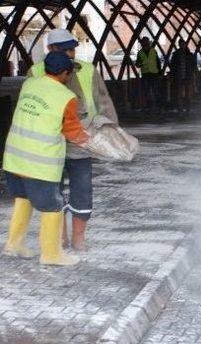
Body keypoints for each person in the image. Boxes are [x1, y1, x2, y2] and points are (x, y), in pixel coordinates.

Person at [29, 28, 119, 251]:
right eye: (65, 49)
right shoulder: (35, 72)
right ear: (50, 49)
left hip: (80, 142)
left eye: (72, 49)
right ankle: (60, 238)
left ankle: (79, 239)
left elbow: (104, 102)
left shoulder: (88, 70)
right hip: (50, 145)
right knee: (52, 193)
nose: (71, 54)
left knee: (82, 190)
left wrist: (110, 129)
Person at [2, 51, 89, 266]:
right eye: (69, 73)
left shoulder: (29, 85)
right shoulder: (66, 97)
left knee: (23, 200)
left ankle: (14, 244)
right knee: (53, 206)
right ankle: (51, 254)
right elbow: (72, 132)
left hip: (14, 159)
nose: (69, 77)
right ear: (63, 73)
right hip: (39, 163)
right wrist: (96, 141)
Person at [169, 39, 196, 115]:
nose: (182, 46)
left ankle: (186, 109)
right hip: (180, 77)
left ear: (185, 45)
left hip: (186, 76)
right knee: (180, 94)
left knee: (186, 94)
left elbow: (194, 66)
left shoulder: (188, 55)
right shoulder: (177, 54)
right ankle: (182, 109)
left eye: (183, 44)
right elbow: (172, 66)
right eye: (180, 44)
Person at [135, 36, 162, 113]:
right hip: (146, 74)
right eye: (144, 42)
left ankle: (155, 106)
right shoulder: (140, 53)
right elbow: (137, 64)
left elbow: (158, 62)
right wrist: (139, 64)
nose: (145, 43)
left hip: (153, 73)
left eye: (146, 42)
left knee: (154, 91)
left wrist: (159, 72)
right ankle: (150, 107)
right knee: (147, 91)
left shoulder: (153, 51)